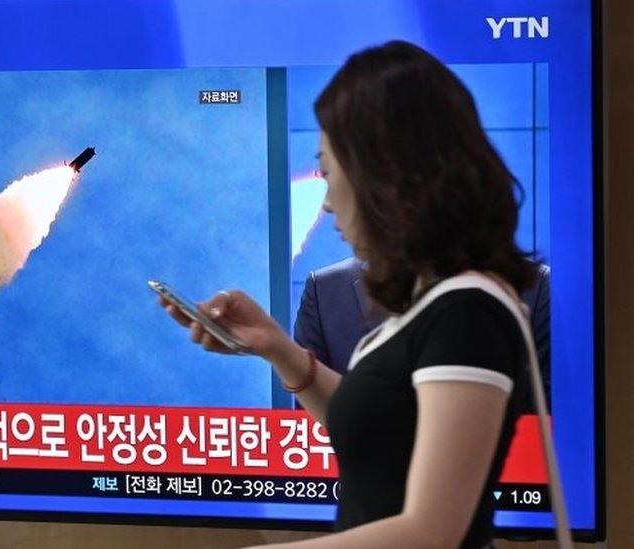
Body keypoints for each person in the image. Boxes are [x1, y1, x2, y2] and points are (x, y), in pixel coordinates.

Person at [159, 40, 537, 548]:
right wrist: (276, 346)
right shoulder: (435, 305)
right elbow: (383, 431)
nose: (327, 199)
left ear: (384, 174)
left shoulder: (467, 314)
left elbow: (431, 533)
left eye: (330, 169)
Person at [294, 256, 551, 409]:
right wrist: (277, 348)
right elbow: (309, 427)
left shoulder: (531, 288)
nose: (327, 204)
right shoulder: (325, 290)